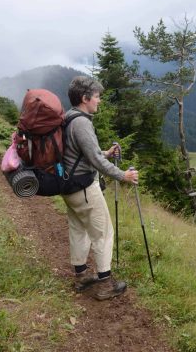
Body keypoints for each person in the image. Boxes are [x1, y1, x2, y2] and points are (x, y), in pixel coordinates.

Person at [62, 76, 138, 300]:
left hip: (68, 186)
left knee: (78, 229)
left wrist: (104, 152)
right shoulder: (82, 123)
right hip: (84, 187)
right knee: (104, 233)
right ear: (85, 98)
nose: (99, 101)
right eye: (96, 97)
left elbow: (79, 154)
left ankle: (82, 275)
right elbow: (95, 161)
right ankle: (106, 284)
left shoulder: (68, 117)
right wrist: (123, 175)